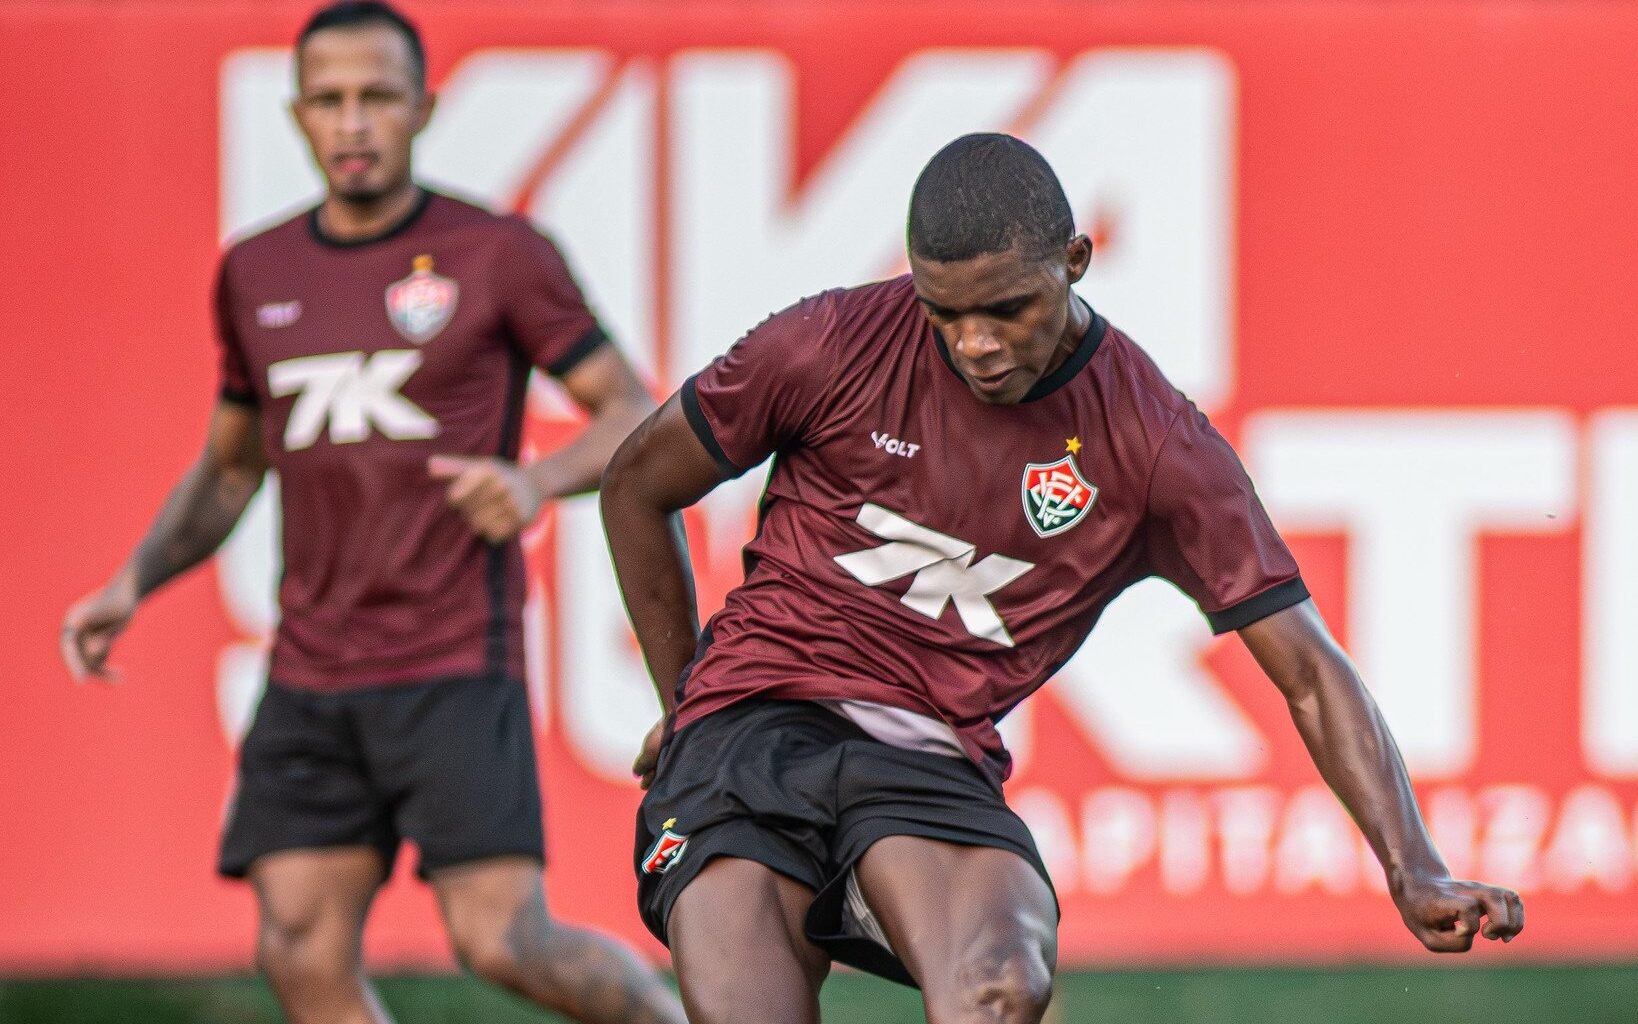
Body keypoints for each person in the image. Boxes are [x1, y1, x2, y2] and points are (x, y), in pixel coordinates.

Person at [600, 132, 1526, 1024]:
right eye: (943, 313)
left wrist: (1412, 865)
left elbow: (1311, 671)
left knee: (999, 988)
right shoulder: (828, 343)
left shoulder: (1155, 446)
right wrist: (687, 706)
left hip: (924, 762)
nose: (974, 343)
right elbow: (636, 485)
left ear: (1076, 261)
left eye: (1006, 310)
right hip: (747, 727)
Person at [58, 4, 685, 1023]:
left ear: (423, 108)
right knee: (298, 946)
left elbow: (633, 414)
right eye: (330, 100)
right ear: (298, 114)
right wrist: (132, 582)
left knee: (503, 939)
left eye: (378, 98)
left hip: (453, 654)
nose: (353, 122)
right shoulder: (256, 270)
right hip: (310, 666)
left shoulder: (497, 252)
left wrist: (533, 481)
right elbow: (230, 470)